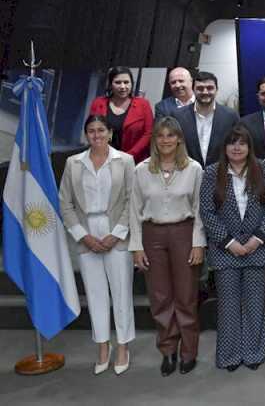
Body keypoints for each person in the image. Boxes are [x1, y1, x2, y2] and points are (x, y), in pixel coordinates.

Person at [58, 115, 137, 375]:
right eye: (91, 131)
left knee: (121, 292)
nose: (96, 135)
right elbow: (65, 203)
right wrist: (83, 235)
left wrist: (116, 234)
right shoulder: (73, 163)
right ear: (86, 135)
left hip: (117, 233)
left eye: (101, 130)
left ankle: (123, 345)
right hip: (86, 234)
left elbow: (131, 201)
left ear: (110, 133)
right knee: (95, 294)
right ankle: (103, 346)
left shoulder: (124, 161)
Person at [129, 116, 206, 376]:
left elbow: (199, 209)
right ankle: (168, 351)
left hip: (184, 233)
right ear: (154, 140)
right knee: (160, 297)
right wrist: (137, 247)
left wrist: (198, 243)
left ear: (179, 139)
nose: (165, 140)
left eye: (170, 135)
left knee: (185, 297)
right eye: (160, 136)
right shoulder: (141, 170)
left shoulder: (194, 169)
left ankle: (188, 352)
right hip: (152, 235)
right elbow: (133, 210)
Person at [199, 124, 265, 371]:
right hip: (225, 252)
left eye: (242, 143)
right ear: (225, 147)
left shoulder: (263, 168)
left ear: (249, 147)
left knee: (255, 304)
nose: (236, 147)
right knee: (228, 306)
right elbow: (207, 211)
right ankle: (230, 356)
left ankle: (254, 354)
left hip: (258, 249)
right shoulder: (212, 173)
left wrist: (258, 238)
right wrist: (229, 242)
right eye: (232, 143)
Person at [172, 71, 240, 168]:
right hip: (187, 173)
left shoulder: (231, 116)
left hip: (221, 174)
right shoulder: (177, 116)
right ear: (193, 90)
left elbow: (237, 147)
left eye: (210, 88)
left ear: (217, 90)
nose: (205, 92)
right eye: (200, 88)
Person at [88, 66, 154, 163]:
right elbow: (91, 130)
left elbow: (149, 133)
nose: (123, 87)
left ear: (132, 84)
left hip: (133, 160)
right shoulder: (98, 103)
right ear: (110, 84)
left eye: (126, 82)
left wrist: (128, 156)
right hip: (102, 159)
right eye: (118, 82)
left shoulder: (143, 104)